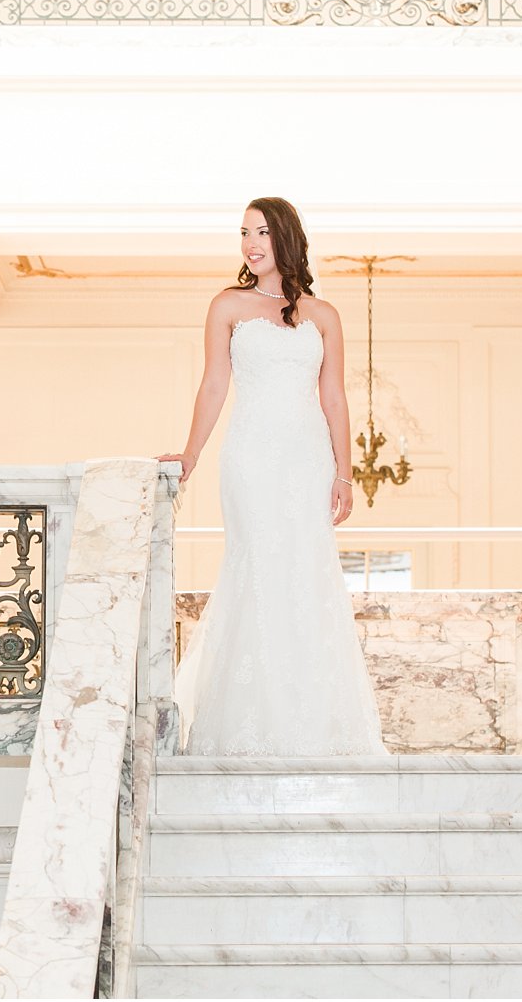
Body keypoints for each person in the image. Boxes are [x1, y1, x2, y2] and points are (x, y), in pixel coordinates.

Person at [159, 197, 387, 756]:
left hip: (306, 458)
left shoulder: (324, 314)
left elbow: (333, 396)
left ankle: (312, 721)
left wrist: (344, 473)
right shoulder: (227, 306)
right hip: (251, 457)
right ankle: (244, 722)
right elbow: (214, 384)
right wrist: (189, 455)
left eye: (260, 232)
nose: (250, 244)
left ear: (285, 237)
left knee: (305, 572)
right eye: (243, 233)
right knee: (256, 566)